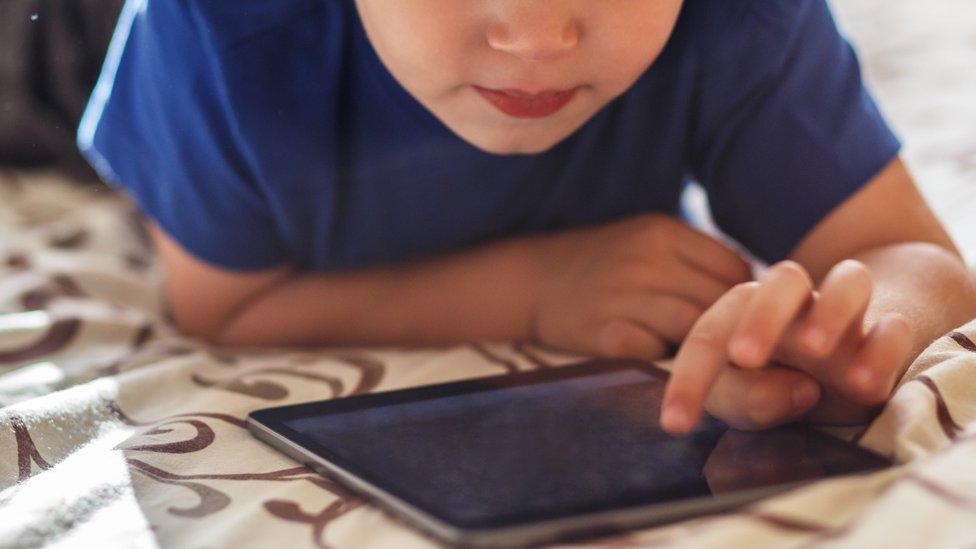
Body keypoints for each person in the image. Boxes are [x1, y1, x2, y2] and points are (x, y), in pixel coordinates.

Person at [78, 0, 976, 434]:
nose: (538, 34)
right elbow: (222, 305)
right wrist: (534, 290)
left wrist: (852, 331)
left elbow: (910, 255)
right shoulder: (214, 29)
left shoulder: (736, 18)